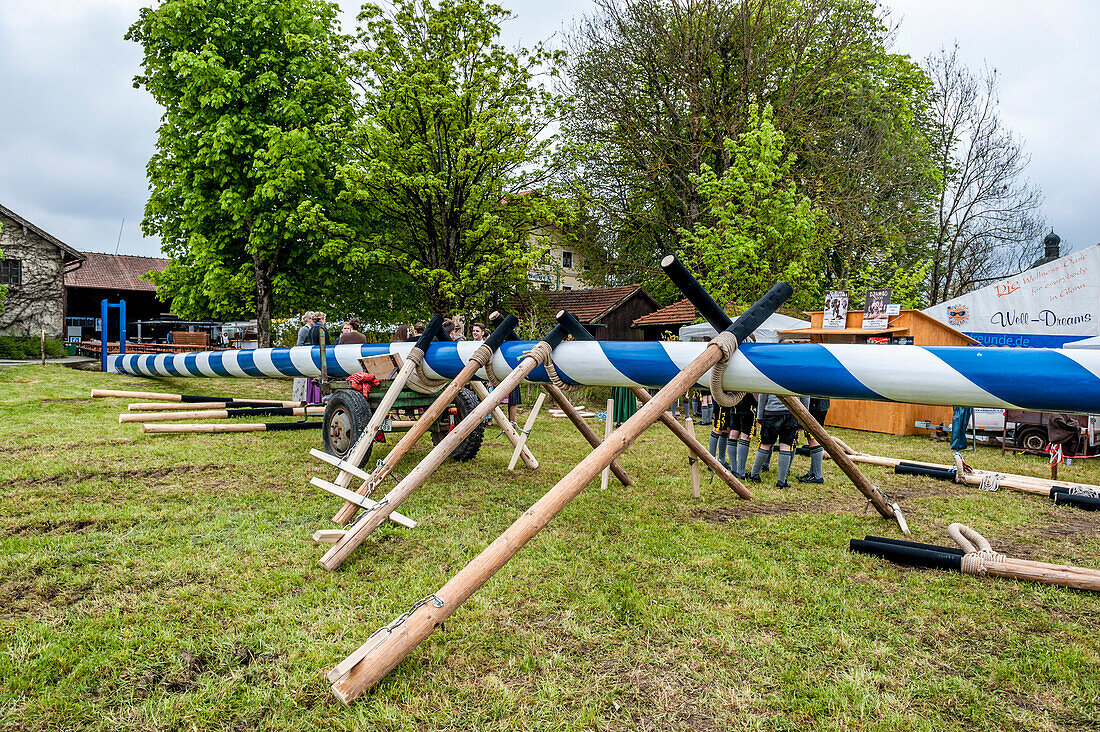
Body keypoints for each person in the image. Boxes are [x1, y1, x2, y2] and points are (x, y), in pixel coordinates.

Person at [747, 393, 808, 488]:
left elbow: (763, 393)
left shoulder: (771, 376)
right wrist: (803, 418)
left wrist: (760, 416)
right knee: (786, 446)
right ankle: (781, 481)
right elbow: (804, 394)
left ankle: (754, 475)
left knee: (765, 445)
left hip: (771, 411)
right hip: (791, 412)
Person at [798, 397, 830, 484]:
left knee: (813, 439)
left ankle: (817, 475)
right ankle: (812, 473)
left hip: (816, 406)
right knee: (811, 438)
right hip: (819, 405)